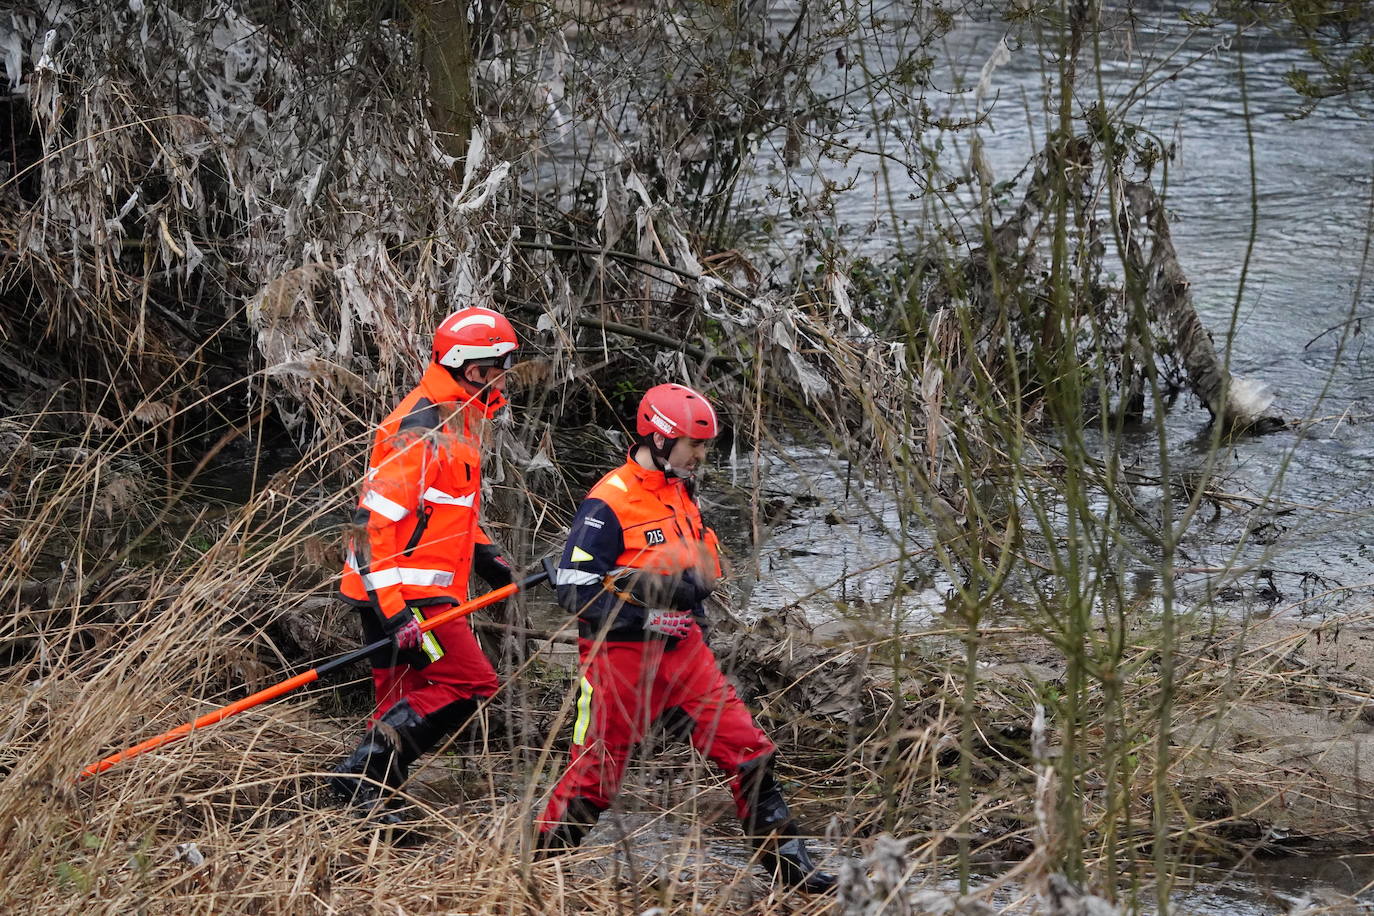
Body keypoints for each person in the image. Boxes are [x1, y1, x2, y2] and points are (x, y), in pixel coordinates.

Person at [534, 383, 836, 893]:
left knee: (750, 752)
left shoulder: (681, 489)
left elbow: (696, 568)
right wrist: (643, 617)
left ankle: (791, 872)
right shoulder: (605, 504)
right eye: (694, 446)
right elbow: (573, 590)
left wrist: (692, 598)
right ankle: (537, 874)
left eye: (704, 446)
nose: (701, 455)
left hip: (685, 651)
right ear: (658, 438)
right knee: (595, 780)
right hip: (618, 659)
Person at [328, 306, 519, 822]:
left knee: (402, 697)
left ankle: (374, 800)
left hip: (420, 591)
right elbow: (373, 527)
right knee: (469, 682)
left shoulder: (463, 417)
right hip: (405, 597)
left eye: (504, 366)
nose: (500, 378)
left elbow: (446, 507)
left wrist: (487, 555)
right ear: (464, 366)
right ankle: (358, 776)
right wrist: (395, 612)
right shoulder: (422, 425)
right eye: (492, 367)